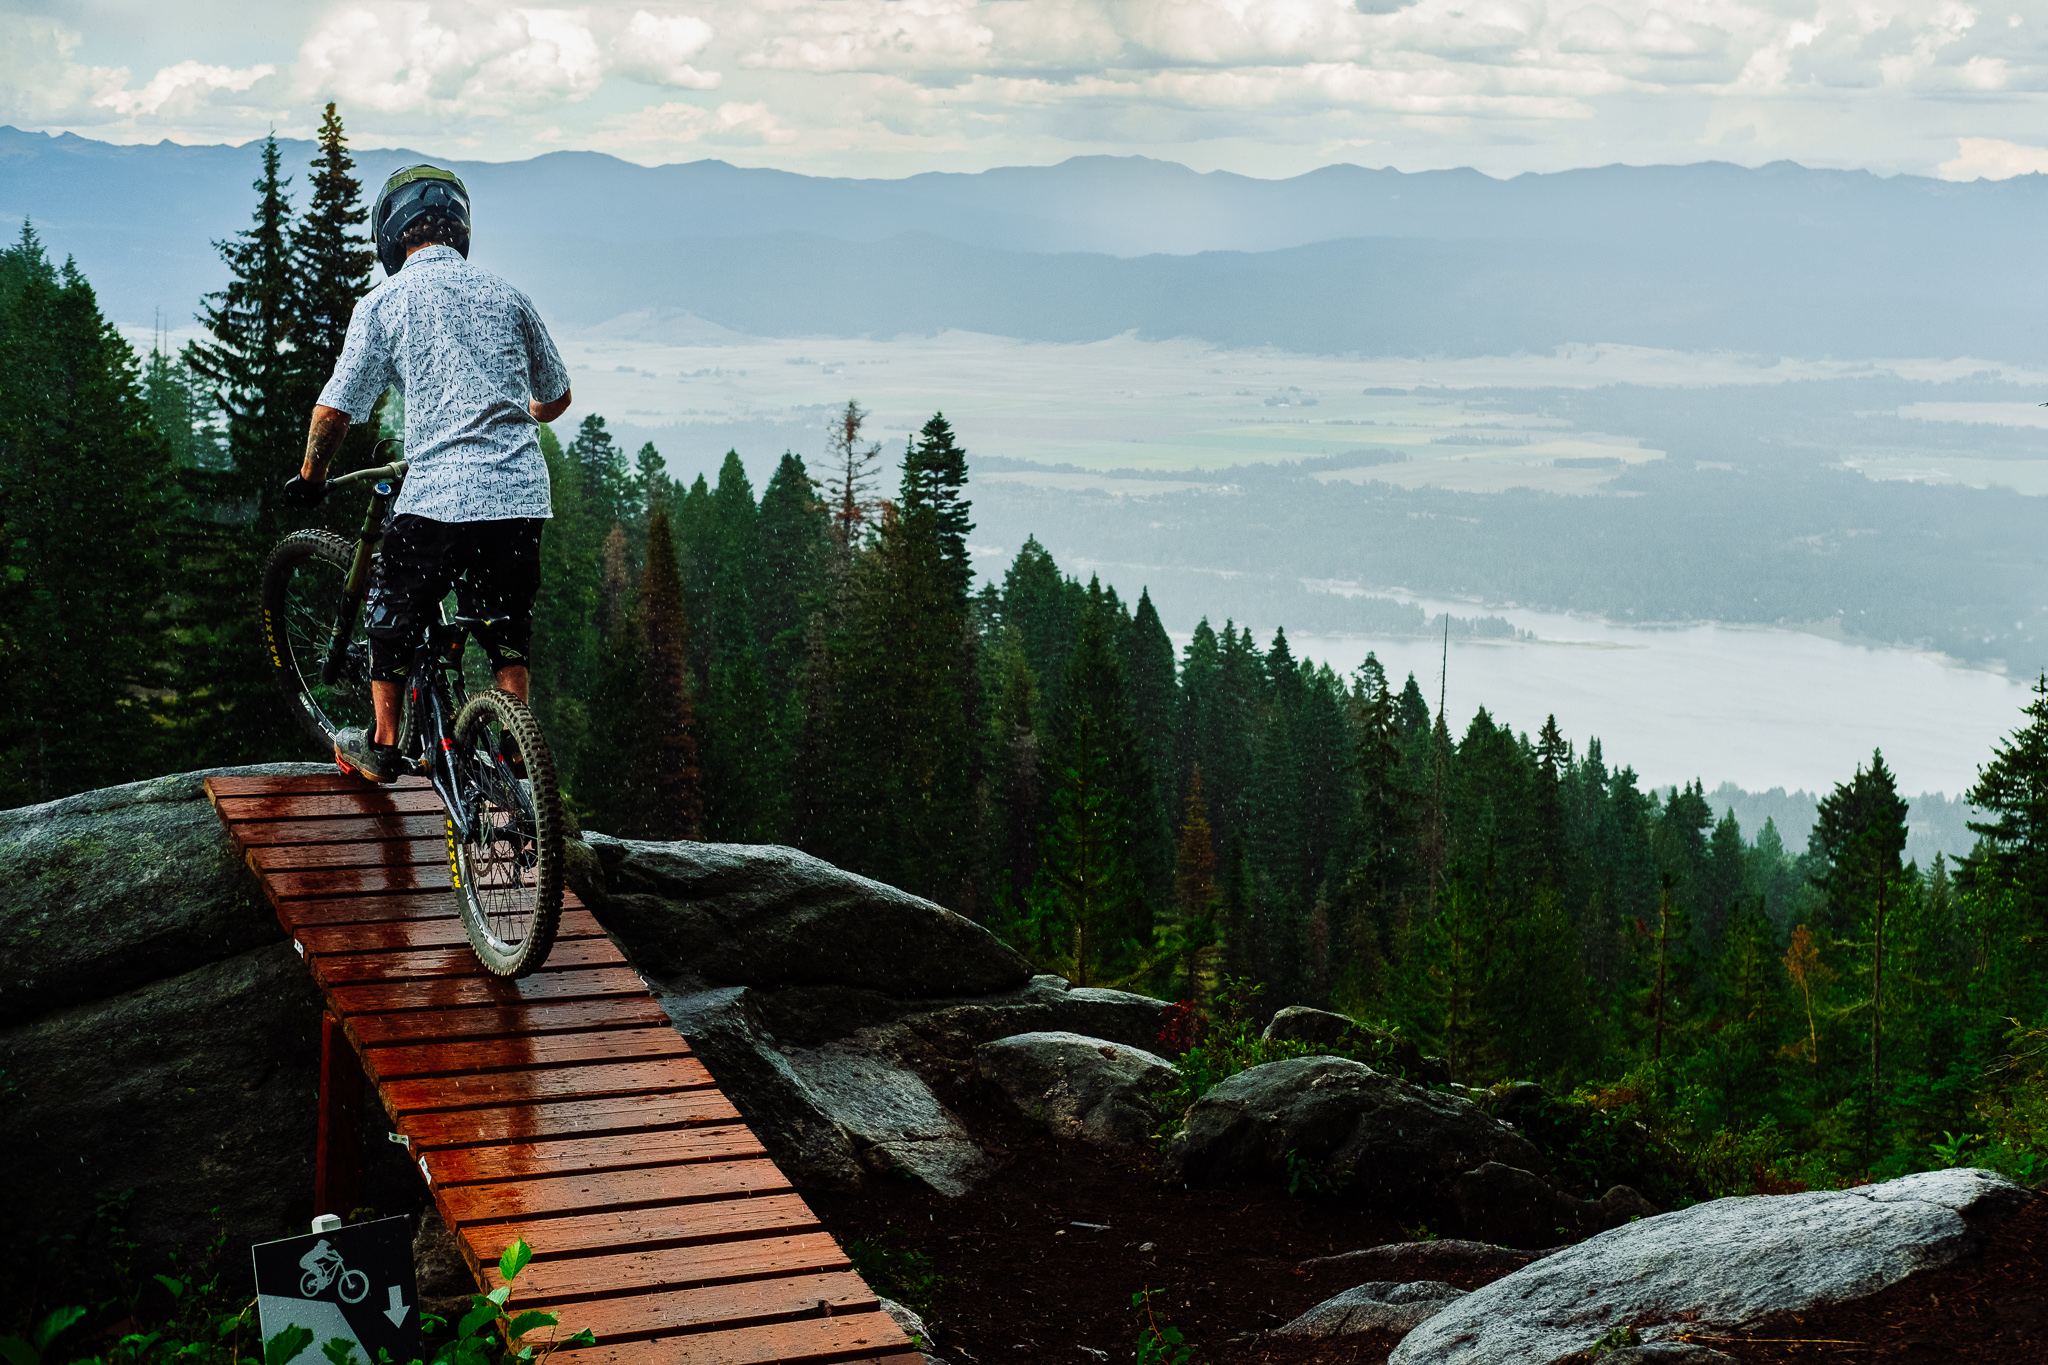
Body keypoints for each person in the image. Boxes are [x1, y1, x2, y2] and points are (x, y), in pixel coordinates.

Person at [282, 164, 572, 783]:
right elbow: (558, 395)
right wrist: (525, 415)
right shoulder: (508, 293)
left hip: (439, 495)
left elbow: (336, 407)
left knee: (391, 612)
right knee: (504, 624)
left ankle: (384, 744)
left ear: (391, 234)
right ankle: (515, 748)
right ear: (459, 229)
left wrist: (311, 474)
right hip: (520, 494)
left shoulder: (385, 302)